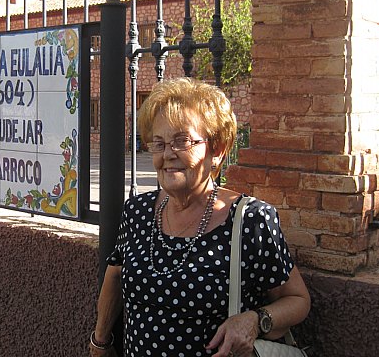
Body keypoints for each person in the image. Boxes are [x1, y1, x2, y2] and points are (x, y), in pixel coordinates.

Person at [89, 78, 310, 357]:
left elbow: (298, 300)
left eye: (182, 141)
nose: (168, 154)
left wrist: (254, 320)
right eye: (159, 143)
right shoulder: (138, 211)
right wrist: (100, 342)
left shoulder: (250, 221)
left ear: (216, 150)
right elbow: (116, 274)